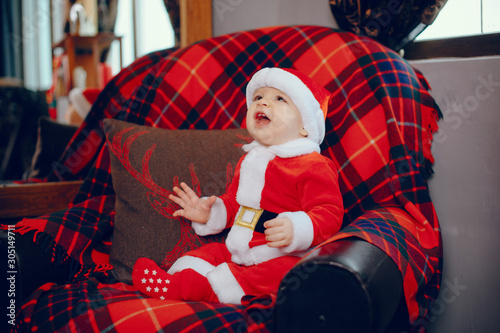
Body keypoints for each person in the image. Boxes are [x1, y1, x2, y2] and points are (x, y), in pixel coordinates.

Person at [132, 67, 344, 304]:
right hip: (240, 248)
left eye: (279, 99)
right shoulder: (250, 159)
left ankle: (205, 290)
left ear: (305, 126)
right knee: (209, 253)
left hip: (285, 253)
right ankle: (178, 279)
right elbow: (235, 204)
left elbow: (330, 212)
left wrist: (297, 228)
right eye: (258, 97)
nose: (263, 103)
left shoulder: (313, 165)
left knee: (282, 274)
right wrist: (210, 212)